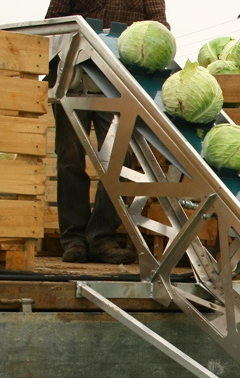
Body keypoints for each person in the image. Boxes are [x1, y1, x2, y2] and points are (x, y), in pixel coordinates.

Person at [44, 0, 171, 264]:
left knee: (119, 159)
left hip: (116, 80)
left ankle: (102, 238)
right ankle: (74, 238)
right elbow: (54, 22)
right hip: (72, 75)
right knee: (70, 159)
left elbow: (160, 27)